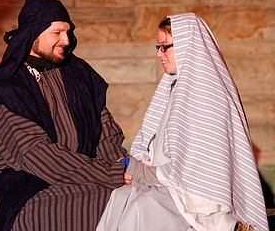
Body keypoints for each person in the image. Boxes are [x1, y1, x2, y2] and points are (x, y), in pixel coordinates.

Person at [97, 13, 269, 231]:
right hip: (166, 186)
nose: (160, 55)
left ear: (188, 46)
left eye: (165, 47)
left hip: (195, 198)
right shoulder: (174, 88)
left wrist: (144, 172)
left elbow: (200, 169)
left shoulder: (209, 95)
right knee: (119, 197)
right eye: (158, 47)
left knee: (142, 207)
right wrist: (138, 166)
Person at [0, 0, 129, 231]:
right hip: (30, 188)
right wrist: (111, 174)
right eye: (57, 33)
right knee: (102, 202)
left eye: (68, 32)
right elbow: (38, 155)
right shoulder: (8, 89)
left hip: (93, 176)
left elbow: (105, 131)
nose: (66, 40)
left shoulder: (78, 74)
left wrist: (121, 165)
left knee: (137, 197)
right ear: (33, 33)